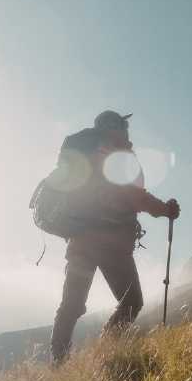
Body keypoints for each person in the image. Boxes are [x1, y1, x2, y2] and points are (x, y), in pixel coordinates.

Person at [47, 110, 180, 364]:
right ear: (117, 127)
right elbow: (134, 196)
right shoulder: (117, 154)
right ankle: (105, 352)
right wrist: (166, 210)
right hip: (112, 245)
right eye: (124, 126)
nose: (127, 131)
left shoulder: (87, 153)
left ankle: (59, 362)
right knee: (131, 301)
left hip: (80, 241)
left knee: (71, 305)